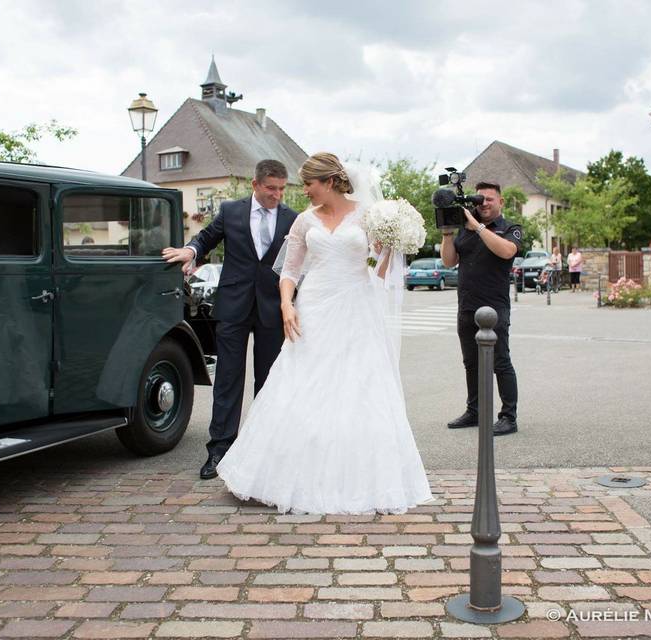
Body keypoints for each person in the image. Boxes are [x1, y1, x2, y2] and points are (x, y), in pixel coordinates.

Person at [215, 152, 433, 514]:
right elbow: (289, 271)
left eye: (310, 185)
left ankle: (358, 478)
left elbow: (379, 273)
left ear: (330, 182)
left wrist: (390, 248)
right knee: (300, 383)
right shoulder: (303, 221)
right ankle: (279, 475)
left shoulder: (369, 216)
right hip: (313, 305)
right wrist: (287, 304)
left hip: (355, 305)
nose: (305, 193)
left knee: (357, 387)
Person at [162, 159, 298, 480]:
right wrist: (191, 251)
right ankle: (220, 449)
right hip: (234, 306)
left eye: (281, 189)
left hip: (273, 309)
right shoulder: (231, 211)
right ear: (255, 185)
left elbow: (297, 263)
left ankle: (265, 448)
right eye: (270, 189)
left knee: (268, 382)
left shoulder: (293, 218)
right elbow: (207, 237)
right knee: (227, 379)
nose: (277, 195)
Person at [441, 182, 522, 437]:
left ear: (501, 202)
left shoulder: (510, 229)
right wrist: (447, 234)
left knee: (501, 362)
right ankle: (474, 411)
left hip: (494, 306)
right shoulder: (465, 227)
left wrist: (478, 227)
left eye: (489, 199)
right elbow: (449, 260)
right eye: (479, 200)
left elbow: (507, 251)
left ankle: (509, 417)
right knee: (471, 363)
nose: (483, 204)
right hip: (466, 305)